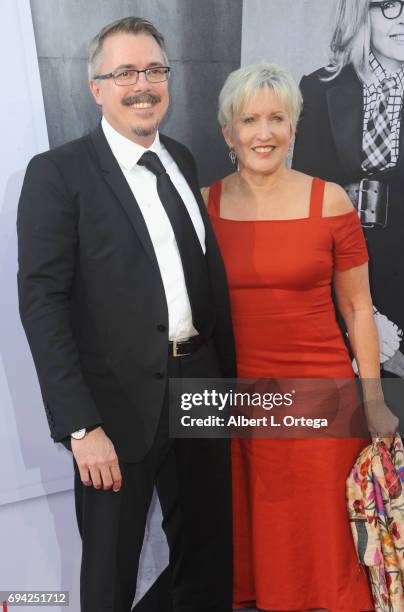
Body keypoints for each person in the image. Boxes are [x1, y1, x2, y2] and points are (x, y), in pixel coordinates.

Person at [17, 16, 235, 612]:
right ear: (96, 87)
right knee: (111, 574)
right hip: (112, 410)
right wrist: (82, 426)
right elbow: (42, 305)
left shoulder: (183, 161)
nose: (143, 85)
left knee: (208, 556)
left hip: (202, 388)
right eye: (126, 73)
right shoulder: (58, 174)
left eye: (155, 71)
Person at [202, 63, 398, 611]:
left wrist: (373, 399)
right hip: (237, 402)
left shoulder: (330, 201)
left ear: (294, 128)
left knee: (322, 546)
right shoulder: (203, 205)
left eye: (277, 119)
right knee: (255, 541)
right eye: (249, 120)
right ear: (227, 132)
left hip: (320, 398)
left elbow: (359, 308)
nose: (263, 133)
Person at [292, 0, 404, 472]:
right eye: (388, 6)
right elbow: (309, 209)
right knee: (358, 439)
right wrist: (345, 307)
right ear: (359, 14)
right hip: (348, 276)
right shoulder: (319, 87)